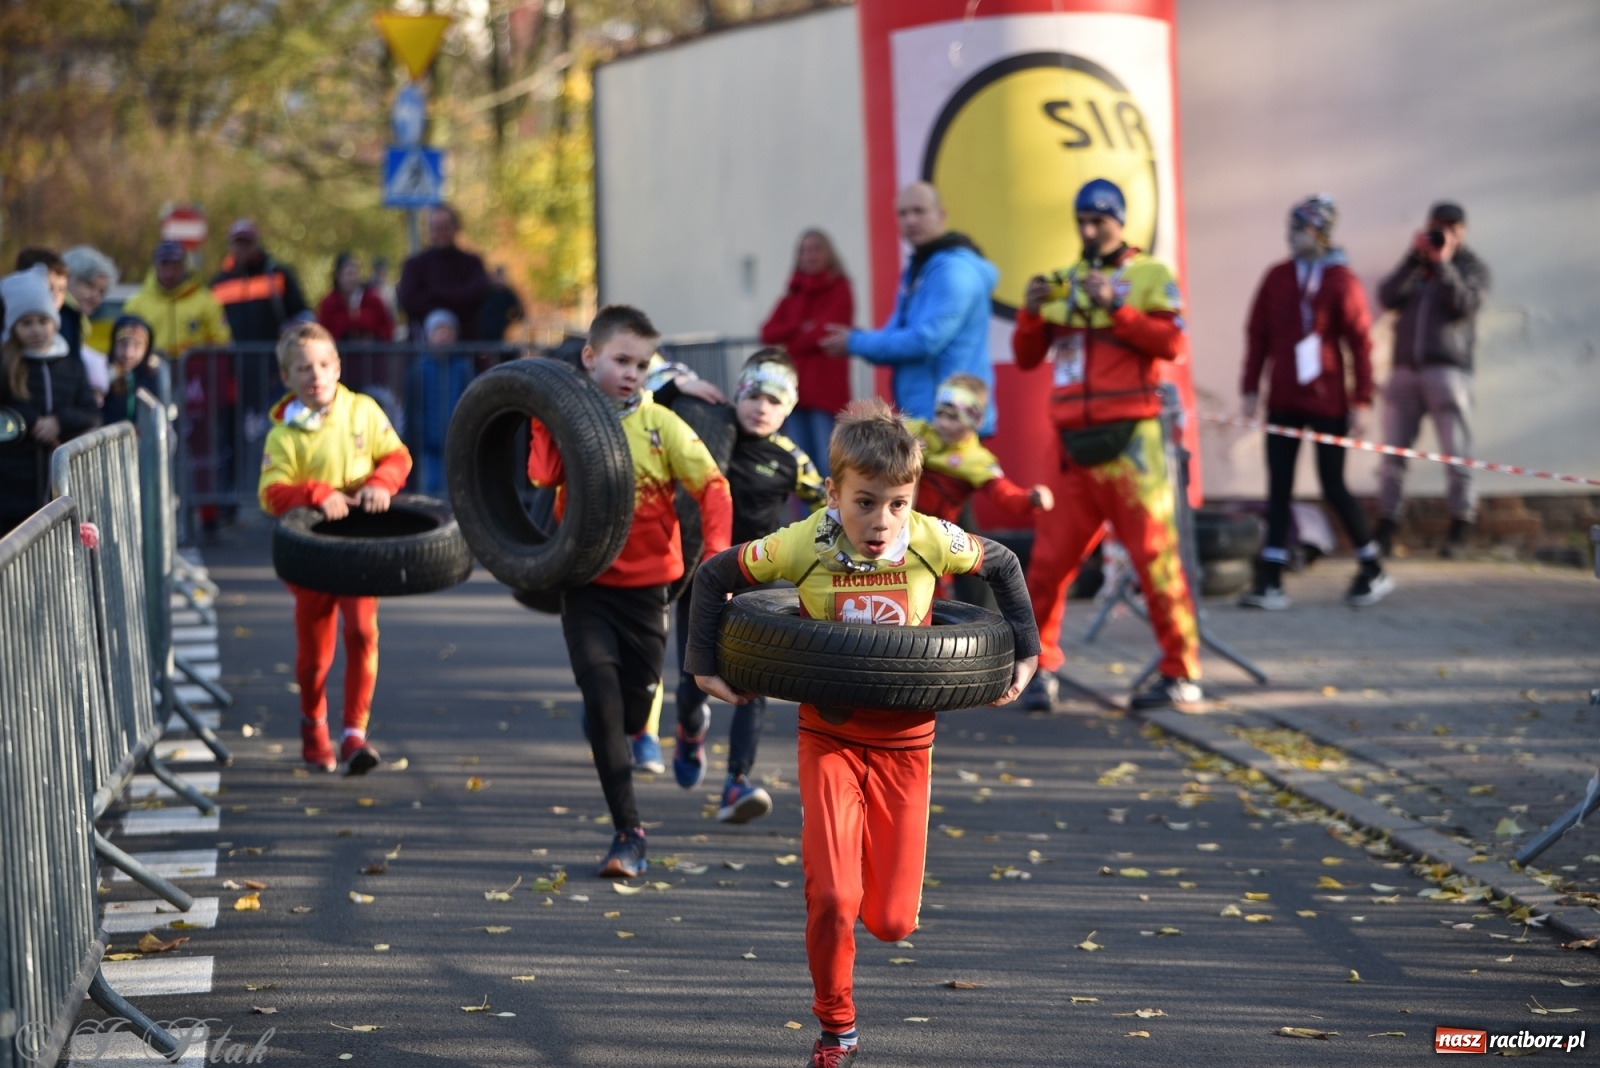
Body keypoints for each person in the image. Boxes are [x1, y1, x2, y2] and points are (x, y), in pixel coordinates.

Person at [684, 398, 1038, 1068]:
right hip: (831, 737)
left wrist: (1025, 653)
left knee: (893, 921)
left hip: (908, 744)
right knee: (833, 894)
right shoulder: (805, 541)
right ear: (833, 493)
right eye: (866, 502)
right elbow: (715, 575)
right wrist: (705, 668)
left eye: (898, 503)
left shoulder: (932, 538)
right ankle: (835, 1023)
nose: (883, 523)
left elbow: (1003, 568)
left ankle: (866, 917)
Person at [527, 304, 732, 877]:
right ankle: (629, 834)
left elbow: (712, 487)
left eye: (642, 364)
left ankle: (660, 726)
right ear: (590, 358)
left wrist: (716, 556)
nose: (632, 373)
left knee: (637, 704)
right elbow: (542, 476)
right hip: (585, 582)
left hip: (649, 589)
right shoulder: (569, 417)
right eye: (621, 360)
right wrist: (543, 413)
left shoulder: (660, 425)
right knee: (601, 694)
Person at [1011, 177, 1201, 712]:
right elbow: (1028, 355)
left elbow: (1173, 343)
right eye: (1083, 222)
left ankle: (1180, 671)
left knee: (1155, 560)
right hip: (1069, 448)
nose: (1090, 231)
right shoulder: (1062, 281)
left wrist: (1115, 308)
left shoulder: (1150, 274)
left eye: (1100, 221)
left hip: (1132, 447)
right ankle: (1039, 666)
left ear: (1121, 222)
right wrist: (1029, 313)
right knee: (1048, 565)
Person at [651, 350, 826, 822]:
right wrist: (677, 388)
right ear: (738, 395)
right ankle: (690, 730)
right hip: (702, 576)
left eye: (775, 400)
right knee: (692, 678)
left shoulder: (791, 459)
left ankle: (737, 783)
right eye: (754, 395)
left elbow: (835, 505)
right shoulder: (711, 428)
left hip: (757, 583)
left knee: (754, 681)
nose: (762, 407)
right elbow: (647, 412)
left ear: (788, 410)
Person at [258, 322, 412, 775]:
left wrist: (382, 484)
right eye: (303, 369)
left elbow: (397, 456)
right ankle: (314, 727)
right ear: (287, 378)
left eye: (324, 365)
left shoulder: (362, 410)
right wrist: (315, 493)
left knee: (363, 634)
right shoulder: (283, 434)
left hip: (360, 548)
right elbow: (270, 492)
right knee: (315, 653)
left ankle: (354, 734)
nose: (316, 376)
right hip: (311, 554)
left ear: (338, 366)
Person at [1238, 195, 1392, 609]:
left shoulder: (1342, 280)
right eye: (1288, 228)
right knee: (1279, 488)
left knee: (1333, 484)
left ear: (1319, 233)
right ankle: (1270, 580)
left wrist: (1361, 400)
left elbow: (1359, 342)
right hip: (1284, 400)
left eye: (1299, 228)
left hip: (1328, 403)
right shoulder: (1277, 277)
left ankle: (1372, 566)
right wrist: (1251, 388)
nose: (1290, 236)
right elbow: (1258, 334)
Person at [819, 183, 998, 435]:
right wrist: (858, 339)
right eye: (902, 213)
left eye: (919, 211)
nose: (910, 220)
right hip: (929, 421)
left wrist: (856, 343)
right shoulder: (920, 268)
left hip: (951, 423)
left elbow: (924, 341)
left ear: (941, 215)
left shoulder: (953, 271)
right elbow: (897, 332)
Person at [1374, 201, 1490, 558]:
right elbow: (1387, 296)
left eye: (1452, 228)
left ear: (1463, 232)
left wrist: (1443, 265)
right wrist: (1414, 258)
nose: (1445, 233)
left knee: (1456, 453)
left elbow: (1464, 305)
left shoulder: (1472, 268)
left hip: (1448, 370)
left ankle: (1460, 525)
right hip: (1406, 369)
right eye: (1438, 227)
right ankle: (1386, 526)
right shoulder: (1417, 264)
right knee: (1392, 455)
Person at [0, 266, 101, 534]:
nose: (36, 330)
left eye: (42, 321)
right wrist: (30, 423)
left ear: (53, 322)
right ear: (13, 326)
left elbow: (91, 413)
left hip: (60, 488)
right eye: (26, 323)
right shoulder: (6, 365)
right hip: (11, 488)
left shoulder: (70, 365)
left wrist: (59, 422)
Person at [760, 229, 855, 476]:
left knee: (829, 465)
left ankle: (834, 515)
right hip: (794, 392)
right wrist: (800, 327)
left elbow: (823, 333)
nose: (811, 255)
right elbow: (768, 332)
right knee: (801, 467)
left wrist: (793, 337)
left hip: (826, 391)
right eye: (805, 250)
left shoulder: (840, 288)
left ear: (828, 254)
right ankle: (808, 516)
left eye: (817, 249)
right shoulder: (794, 292)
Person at [403, 309, 474, 496]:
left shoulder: (464, 367)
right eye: (438, 331)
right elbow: (412, 409)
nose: (443, 336)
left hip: (457, 444)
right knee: (429, 493)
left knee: (458, 492)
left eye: (448, 331)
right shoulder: (418, 369)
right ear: (429, 336)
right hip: (428, 446)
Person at [397, 204, 492, 342]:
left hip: (466, 348)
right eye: (436, 228)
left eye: (445, 227)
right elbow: (408, 301)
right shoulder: (415, 264)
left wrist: (433, 295)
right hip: (423, 351)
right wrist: (455, 298)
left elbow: (478, 294)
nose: (441, 232)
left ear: (456, 228)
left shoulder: (472, 263)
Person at [125, 241, 232, 357]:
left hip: (195, 372)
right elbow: (125, 342)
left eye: (175, 266)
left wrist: (194, 353)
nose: (170, 273)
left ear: (184, 266)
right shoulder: (136, 305)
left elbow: (222, 341)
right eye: (164, 265)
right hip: (153, 372)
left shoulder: (206, 301)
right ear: (155, 267)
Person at [211, 219, 309, 343]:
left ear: (256, 244)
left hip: (274, 357)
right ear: (231, 246)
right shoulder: (219, 283)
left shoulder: (278, 275)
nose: (243, 249)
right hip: (234, 358)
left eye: (247, 243)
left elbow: (302, 314)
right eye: (238, 243)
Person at [317, 253, 395, 343]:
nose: (352, 279)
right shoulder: (329, 303)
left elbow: (386, 327)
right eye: (348, 274)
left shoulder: (373, 299)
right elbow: (324, 331)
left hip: (370, 354)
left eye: (355, 273)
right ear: (338, 275)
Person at [101, 315, 162, 426]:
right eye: (123, 344)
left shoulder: (153, 376)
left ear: (146, 349)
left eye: (137, 345)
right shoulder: (101, 375)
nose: (128, 353)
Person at [62, 245, 119, 355]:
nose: (95, 297)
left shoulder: (76, 322)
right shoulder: (58, 320)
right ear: (66, 278)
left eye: (101, 292)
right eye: (89, 285)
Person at [477, 265, 525, 344]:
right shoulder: (484, 292)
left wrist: (508, 321)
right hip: (482, 334)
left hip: (499, 334)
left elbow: (519, 313)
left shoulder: (508, 294)